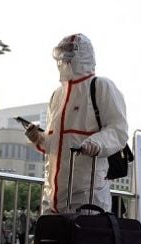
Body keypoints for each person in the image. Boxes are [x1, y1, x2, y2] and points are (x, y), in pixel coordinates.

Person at [25, 33, 128, 214]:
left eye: (70, 52)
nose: (64, 58)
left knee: (85, 242)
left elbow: (118, 131)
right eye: (62, 52)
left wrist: (97, 142)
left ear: (83, 54)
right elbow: (54, 145)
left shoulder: (101, 86)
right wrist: (38, 139)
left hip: (88, 195)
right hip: (52, 196)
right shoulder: (57, 96)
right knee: (50, 241)